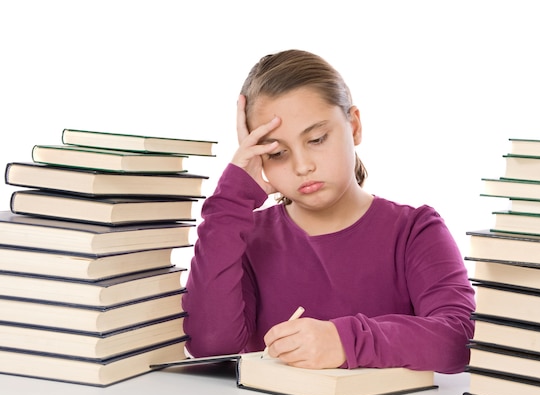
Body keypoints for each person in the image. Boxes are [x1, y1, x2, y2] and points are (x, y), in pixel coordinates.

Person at [182, 49, 476, 373]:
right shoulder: (245, 239)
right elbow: (210, 347)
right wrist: (231, 198)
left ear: (354, 126)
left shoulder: (415, 231)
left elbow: (458, 341)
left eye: (318, 139)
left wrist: (344, 341)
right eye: (277, 153)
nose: (303, 166)